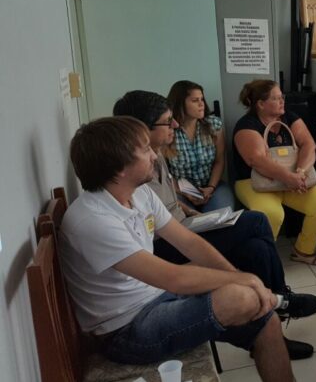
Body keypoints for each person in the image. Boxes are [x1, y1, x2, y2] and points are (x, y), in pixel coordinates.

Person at [59, 116, 292, 381]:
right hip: (126, 330)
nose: (154, 155)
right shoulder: (92, 220)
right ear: (120, 167)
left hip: (158, 298)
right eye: (145, 149)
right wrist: (246, 280)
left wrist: (240, 277)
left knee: (267, 320)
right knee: (243, 298)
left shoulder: (139, 194)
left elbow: (189, 242)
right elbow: (173, 278)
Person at [113, 90, 316, 360]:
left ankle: (272, 332)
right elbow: (158, 234)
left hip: (181, 226)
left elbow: (165, 206)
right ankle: (281, 298)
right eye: (168, 121)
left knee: (256, 249)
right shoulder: (135, 170)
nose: (175, 125)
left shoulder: (156, 155)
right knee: (256, 220)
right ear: (142, 129)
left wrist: (191, 210)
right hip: (166, 246)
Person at [233, 80, 316, 266]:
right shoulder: (246, 125)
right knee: (272, 213)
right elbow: (257, 161)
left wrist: (301, 172)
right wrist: (290, 178)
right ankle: (262, 261)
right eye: (276, 98)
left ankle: (303, 250)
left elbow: (309, 145)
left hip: (292, 179)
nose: (282, 101)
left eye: (282, 97)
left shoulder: (290, 117)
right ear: (261, 104)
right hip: (254, 183)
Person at [165, 80, 235, 212]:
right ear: (180, 104)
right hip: (180, 191)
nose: (201, 104)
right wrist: (184, 192)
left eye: (202, 99)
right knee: (181, 216)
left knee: (220, 215)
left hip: (213, 186)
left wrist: (211, 187)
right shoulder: (168, 131)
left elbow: (219, 161)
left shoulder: (213, 125)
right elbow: (165, 173)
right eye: (195, 100)